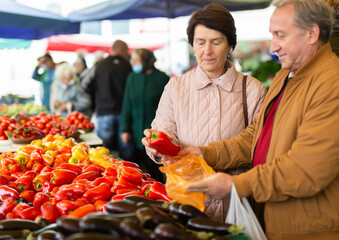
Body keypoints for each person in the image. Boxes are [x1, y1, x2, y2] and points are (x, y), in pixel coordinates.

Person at [166, 0, 339, 239]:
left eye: (280, 35)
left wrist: (236, 186)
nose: (273, 47)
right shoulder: (285, 75)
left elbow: (306, 169)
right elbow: (256, 136)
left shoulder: (331, 83)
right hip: (276, 219)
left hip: (311, 228)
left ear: (311, 33)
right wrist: (206, 153)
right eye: (272, 36)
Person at [142, 3, 267, 222]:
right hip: (187, 205)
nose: (206, 51)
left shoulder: (253, 90)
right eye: (200, 43)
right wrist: (159, 145)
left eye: (216, 42)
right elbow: (162, 137)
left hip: (236, 206)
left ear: (230, 44)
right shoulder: (176, 88)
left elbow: (258, 147)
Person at [120, 48, 169, 182]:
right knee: (136, 170)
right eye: (132, 60)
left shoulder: (162, 78)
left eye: (136, 61)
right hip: (135, 131)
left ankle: (158, 196)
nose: (133, 63)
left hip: (155, 133)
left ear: (147, 61)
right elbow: (127, 104)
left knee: (155, 170)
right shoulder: (132, 78)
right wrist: (125, 129)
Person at [94, 40, 134, 160]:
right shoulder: (127, 66)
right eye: (127, 51)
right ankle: (127, 175)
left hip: (104, 112)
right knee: (125, 151)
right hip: (123, 112)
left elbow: (87, 84)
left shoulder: (101, 64)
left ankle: (107, 176)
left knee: (105, 152)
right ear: (121, 49)